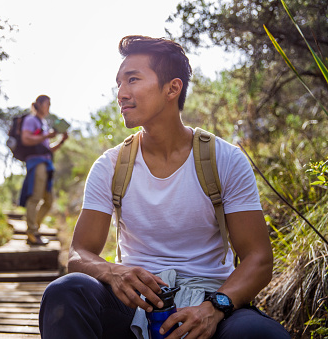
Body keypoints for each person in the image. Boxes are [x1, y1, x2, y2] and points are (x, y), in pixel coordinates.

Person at [39, 36, 290, 339]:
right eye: (119, 83)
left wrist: (216, 306)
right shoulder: (110, 166)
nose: (121, 93)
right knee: (66, 293)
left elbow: (258, 259)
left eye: (132, 80)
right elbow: (79, 252)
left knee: (262, 335)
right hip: (133, 303)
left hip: (210, 300)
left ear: (172, 88)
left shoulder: (225, 160)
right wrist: (113, 272)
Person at [19, 95, 68, 246]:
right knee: (35, 197)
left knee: (48, 200)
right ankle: (32, 233)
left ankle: (34, 230)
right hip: (36, 163)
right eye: (47, 104)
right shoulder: (31, 120)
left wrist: (60, 141)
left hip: (47, 163)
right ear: (39, 105)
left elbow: (48, 149)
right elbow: (26, 139)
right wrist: (47, 135)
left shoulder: (44, 123)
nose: (49, 107)